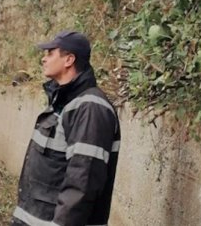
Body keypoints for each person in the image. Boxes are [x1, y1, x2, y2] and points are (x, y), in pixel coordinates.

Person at [11, 31, 121, 226]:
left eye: (50, 53)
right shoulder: (63, 100)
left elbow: (82, 181)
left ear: (69, 59)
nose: (43, 59)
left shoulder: (90, 107)